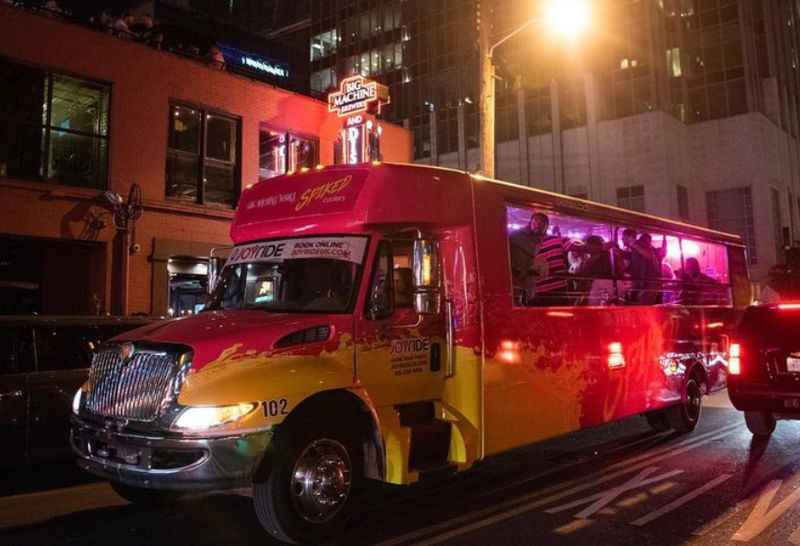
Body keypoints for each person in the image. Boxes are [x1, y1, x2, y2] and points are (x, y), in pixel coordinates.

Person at [576, 235, 614, 305]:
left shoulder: (605, 258)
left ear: (596, 246)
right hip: (592, 291)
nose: (587, 247)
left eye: (589, 245)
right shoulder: (592, 258)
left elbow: (596, 275)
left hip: (597, 291)